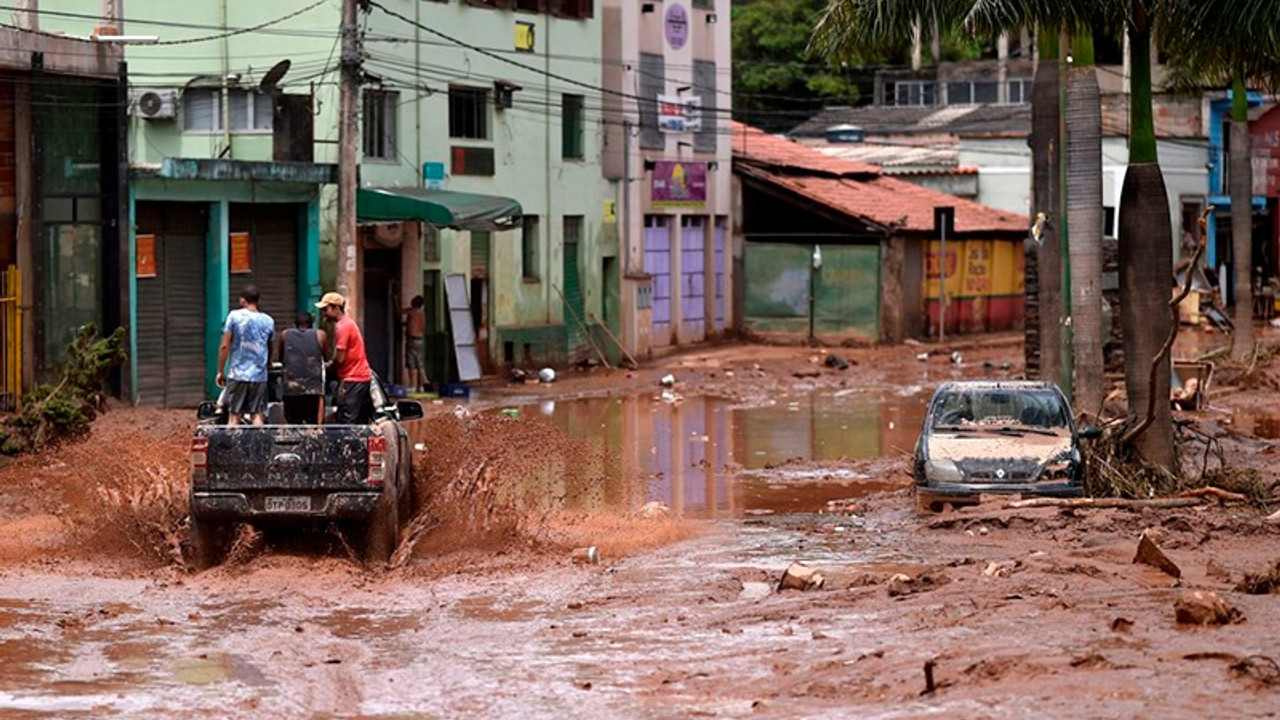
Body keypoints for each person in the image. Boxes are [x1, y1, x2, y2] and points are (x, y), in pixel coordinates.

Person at [216, 285, 275, 426]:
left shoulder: (234, 316)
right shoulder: (268, 320)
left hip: (237, 374)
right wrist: (267, 365)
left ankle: (234, 446)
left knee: (234, 415)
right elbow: (270, 346)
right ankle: (258, 447)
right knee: (257, 415)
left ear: (243, 300)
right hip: (259, 376)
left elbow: (225, 345)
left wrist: (220, 371)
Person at [316, 291, 374, 424]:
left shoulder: (343, 327)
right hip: (359, 378)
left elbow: (340, 359)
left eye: (326, 309)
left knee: (346, 422)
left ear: (336, 308)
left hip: (352, 379)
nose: (324, 314)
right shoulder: (347, 324)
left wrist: (329, 367)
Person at [280, 311, 327, 424]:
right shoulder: (320, 335)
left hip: (291, 389)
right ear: (311, 324)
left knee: (294, 425)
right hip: (313, 389)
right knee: (313, 425)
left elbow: (282, 357)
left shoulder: (285, 334)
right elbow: (325, 356)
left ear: (295, 324)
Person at [401, 295, 430, 393]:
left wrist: (395, 300)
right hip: (420, 339)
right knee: (419, 362)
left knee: (412, 364)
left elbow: (399, 311)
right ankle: (421, 385)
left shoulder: (412, 311)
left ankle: (413, 386)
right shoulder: (422, 314)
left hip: (412, 339)